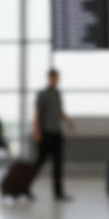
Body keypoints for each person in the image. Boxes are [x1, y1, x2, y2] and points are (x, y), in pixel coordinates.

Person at [33, 68, 75, 202]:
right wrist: (37, 131)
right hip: (45, 133)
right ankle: (25, 185)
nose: (57, 80)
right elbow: (37, 114)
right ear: (50, 78)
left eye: (58, 78)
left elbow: (59, 112)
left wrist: (68, 121)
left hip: (57, 133)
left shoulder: (58, 94)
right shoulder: (42, 94)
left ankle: (58, 193)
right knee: (39, 163)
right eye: (55, 78)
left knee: (58, 164)